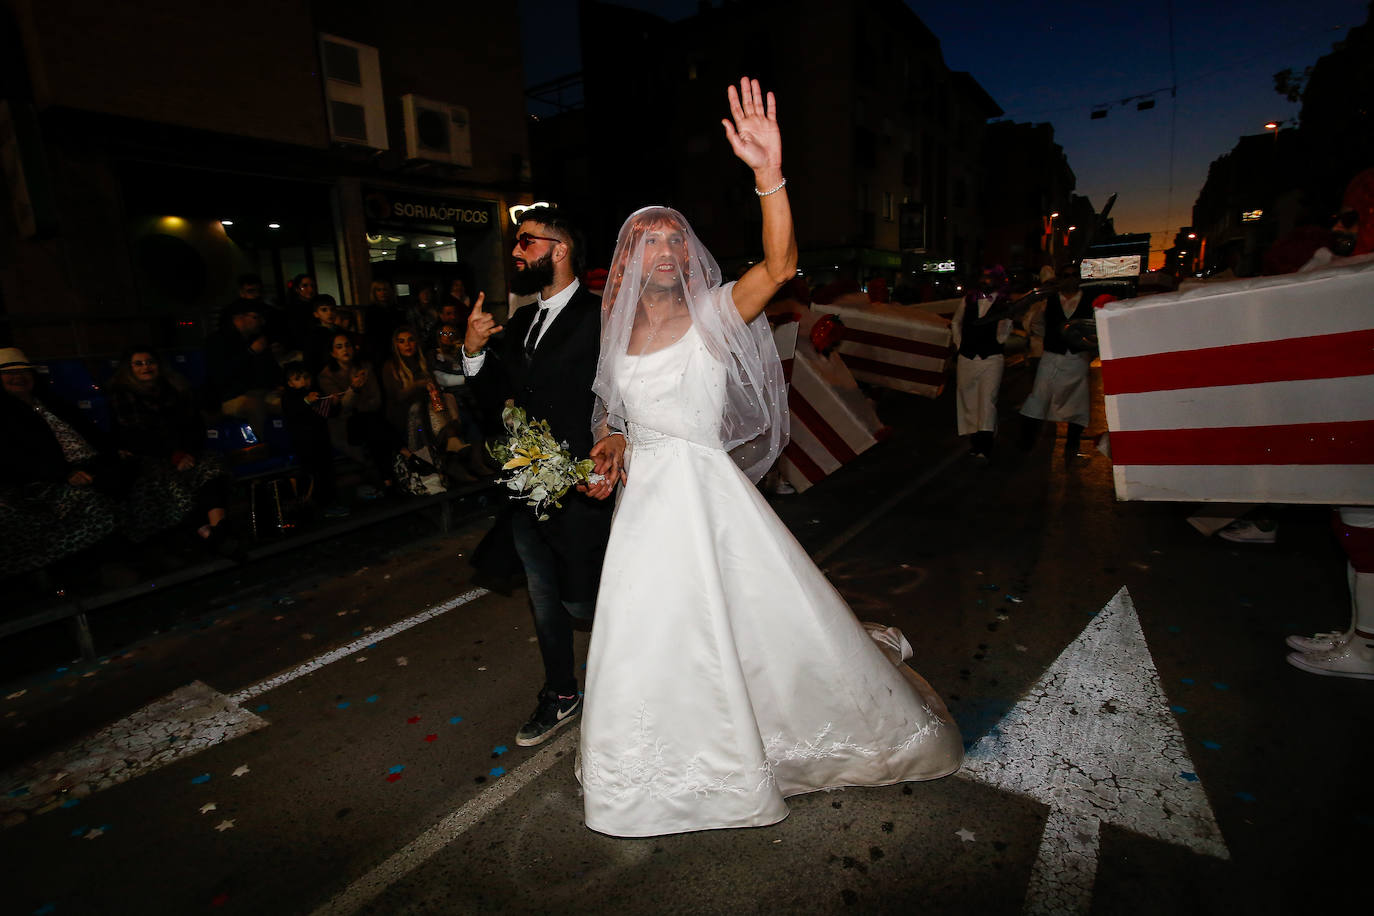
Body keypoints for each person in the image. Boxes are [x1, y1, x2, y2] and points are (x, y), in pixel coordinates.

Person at [576, 78, 963, 838]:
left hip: (705, 499)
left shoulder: (720, 313)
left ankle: (766, 748)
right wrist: (613, 438)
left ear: (690, 253)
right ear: (625, 262)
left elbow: (781, 266)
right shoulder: (613, 333)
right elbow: (615, 408)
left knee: (736, 621)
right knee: (654, 632)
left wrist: (768, 174)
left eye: (674, 236)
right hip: (643, 506)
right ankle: (661, 760)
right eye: (648, 238)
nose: (665, 247)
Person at [462, 207, 620, 748]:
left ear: (559, 249)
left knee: (589, 602)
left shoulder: (604, 315)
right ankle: (561, 693)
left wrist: (618, 439)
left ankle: (630, 688)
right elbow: (496, 405)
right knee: (544, 598)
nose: (515, 253)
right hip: (528, 489)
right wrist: (474, 352)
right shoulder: (523, 321)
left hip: (585, 488)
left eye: (526, 242)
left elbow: (626, 392)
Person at [0, 348, 119, 580]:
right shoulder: (4, 414)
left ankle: (154, 546)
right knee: (93, 502)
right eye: (9, 372)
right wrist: (64, 473)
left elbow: (90, 432)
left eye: (24, 371)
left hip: (89, 463)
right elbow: (15, 460)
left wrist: (112, 452)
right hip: (45, 479)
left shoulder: (51, 402)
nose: (18, 377)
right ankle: (88, 571)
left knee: (143, 474)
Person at [108, 347, 235, 551]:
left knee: (212, 467)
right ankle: (206, 534)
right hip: (151, 455)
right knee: (168, 483)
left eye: (150, 362)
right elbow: (135, 436)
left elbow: (195, 426)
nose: (146, 367)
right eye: (138, 364)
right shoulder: (122, 395)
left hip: (185, 452)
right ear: (128, 369)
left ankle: (217, 528)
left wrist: (189, 453)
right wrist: (174, 456)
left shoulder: (176, 389)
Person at [1018, 261, 1094, 461]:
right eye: (1066, 275)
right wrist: (1050, 339)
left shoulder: (1089, 301)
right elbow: (1035, 323)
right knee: (1038, 398)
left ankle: (1072, 447)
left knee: (1078, 405)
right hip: (1052, 357)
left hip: (1077, 359)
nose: (1069, 279)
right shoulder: (1048, 301)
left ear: (1078, 278)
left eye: (1073, 275)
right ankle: (1026, 445)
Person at [316, 332, 398, 497]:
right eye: (339, 347)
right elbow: (342, 408)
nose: (345, 349)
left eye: (347, 345)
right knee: (373, 426)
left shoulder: (365, 367)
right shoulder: (326, 376)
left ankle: (387, 481)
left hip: (370, 419)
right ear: (332, 353)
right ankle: (397, 465)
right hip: (345, 425)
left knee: (373, 426)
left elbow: (376, 400)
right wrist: (353, 390)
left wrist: (356, 403)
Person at [952, 265, 1013, 460]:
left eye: (989, 277)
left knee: (987, 400)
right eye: (983, 277)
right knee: (968, 399)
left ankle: (985, 444)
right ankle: (976, 440)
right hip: (968, 357)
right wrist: (960, 344)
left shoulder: (1004, 303)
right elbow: (956, 322)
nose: (985, 281)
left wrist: (997, 342)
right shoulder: (968, 300)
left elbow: (1005, 329)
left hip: (991, 358)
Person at [280, 361, 349, 519]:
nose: (303, 381)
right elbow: (293, 410)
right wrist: (306, 401)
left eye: (305, 377)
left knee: (327, 473)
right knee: (313, 474)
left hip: (321, 440)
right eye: (298, 378)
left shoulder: (315, 393)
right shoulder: (289, 397)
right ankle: (314, 506)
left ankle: (330, 503)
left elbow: (328, 413)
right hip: (304, 444)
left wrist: (334, 404)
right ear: (290, 382)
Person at [205, 301, 282, 436]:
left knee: (295, 401)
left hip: (264, 392)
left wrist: (280, 385)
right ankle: (263, 447)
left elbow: (271, 370)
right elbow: (221, 374)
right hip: (231, 396)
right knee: (254, 404)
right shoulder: (217, 340)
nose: (261, 322)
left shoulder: (258, 338)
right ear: (239, 318)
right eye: (256, 317)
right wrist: (251, 352)